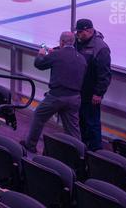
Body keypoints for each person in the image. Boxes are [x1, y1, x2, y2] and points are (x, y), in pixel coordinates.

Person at [21, 32, 88, 153]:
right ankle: (80, 156)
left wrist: (40, 54)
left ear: (61, 42)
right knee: (73, 130)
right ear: (73, 42)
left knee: (39, 116)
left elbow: (39, 64)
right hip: (74, 98)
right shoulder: (82, 59)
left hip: (56, 96)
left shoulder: (57, 55)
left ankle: (30, 145)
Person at [75, 19, 111, 151]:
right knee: (81, 120)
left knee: (92, 122)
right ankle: (84, 145)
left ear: (88, 31)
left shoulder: (100, 48)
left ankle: (96, 150)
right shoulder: (78, 42)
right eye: (77, 32)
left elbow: (105, 74)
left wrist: (98, 93)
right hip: (79, 91)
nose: (77, 35)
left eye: (80, 32)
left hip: (91, 94)